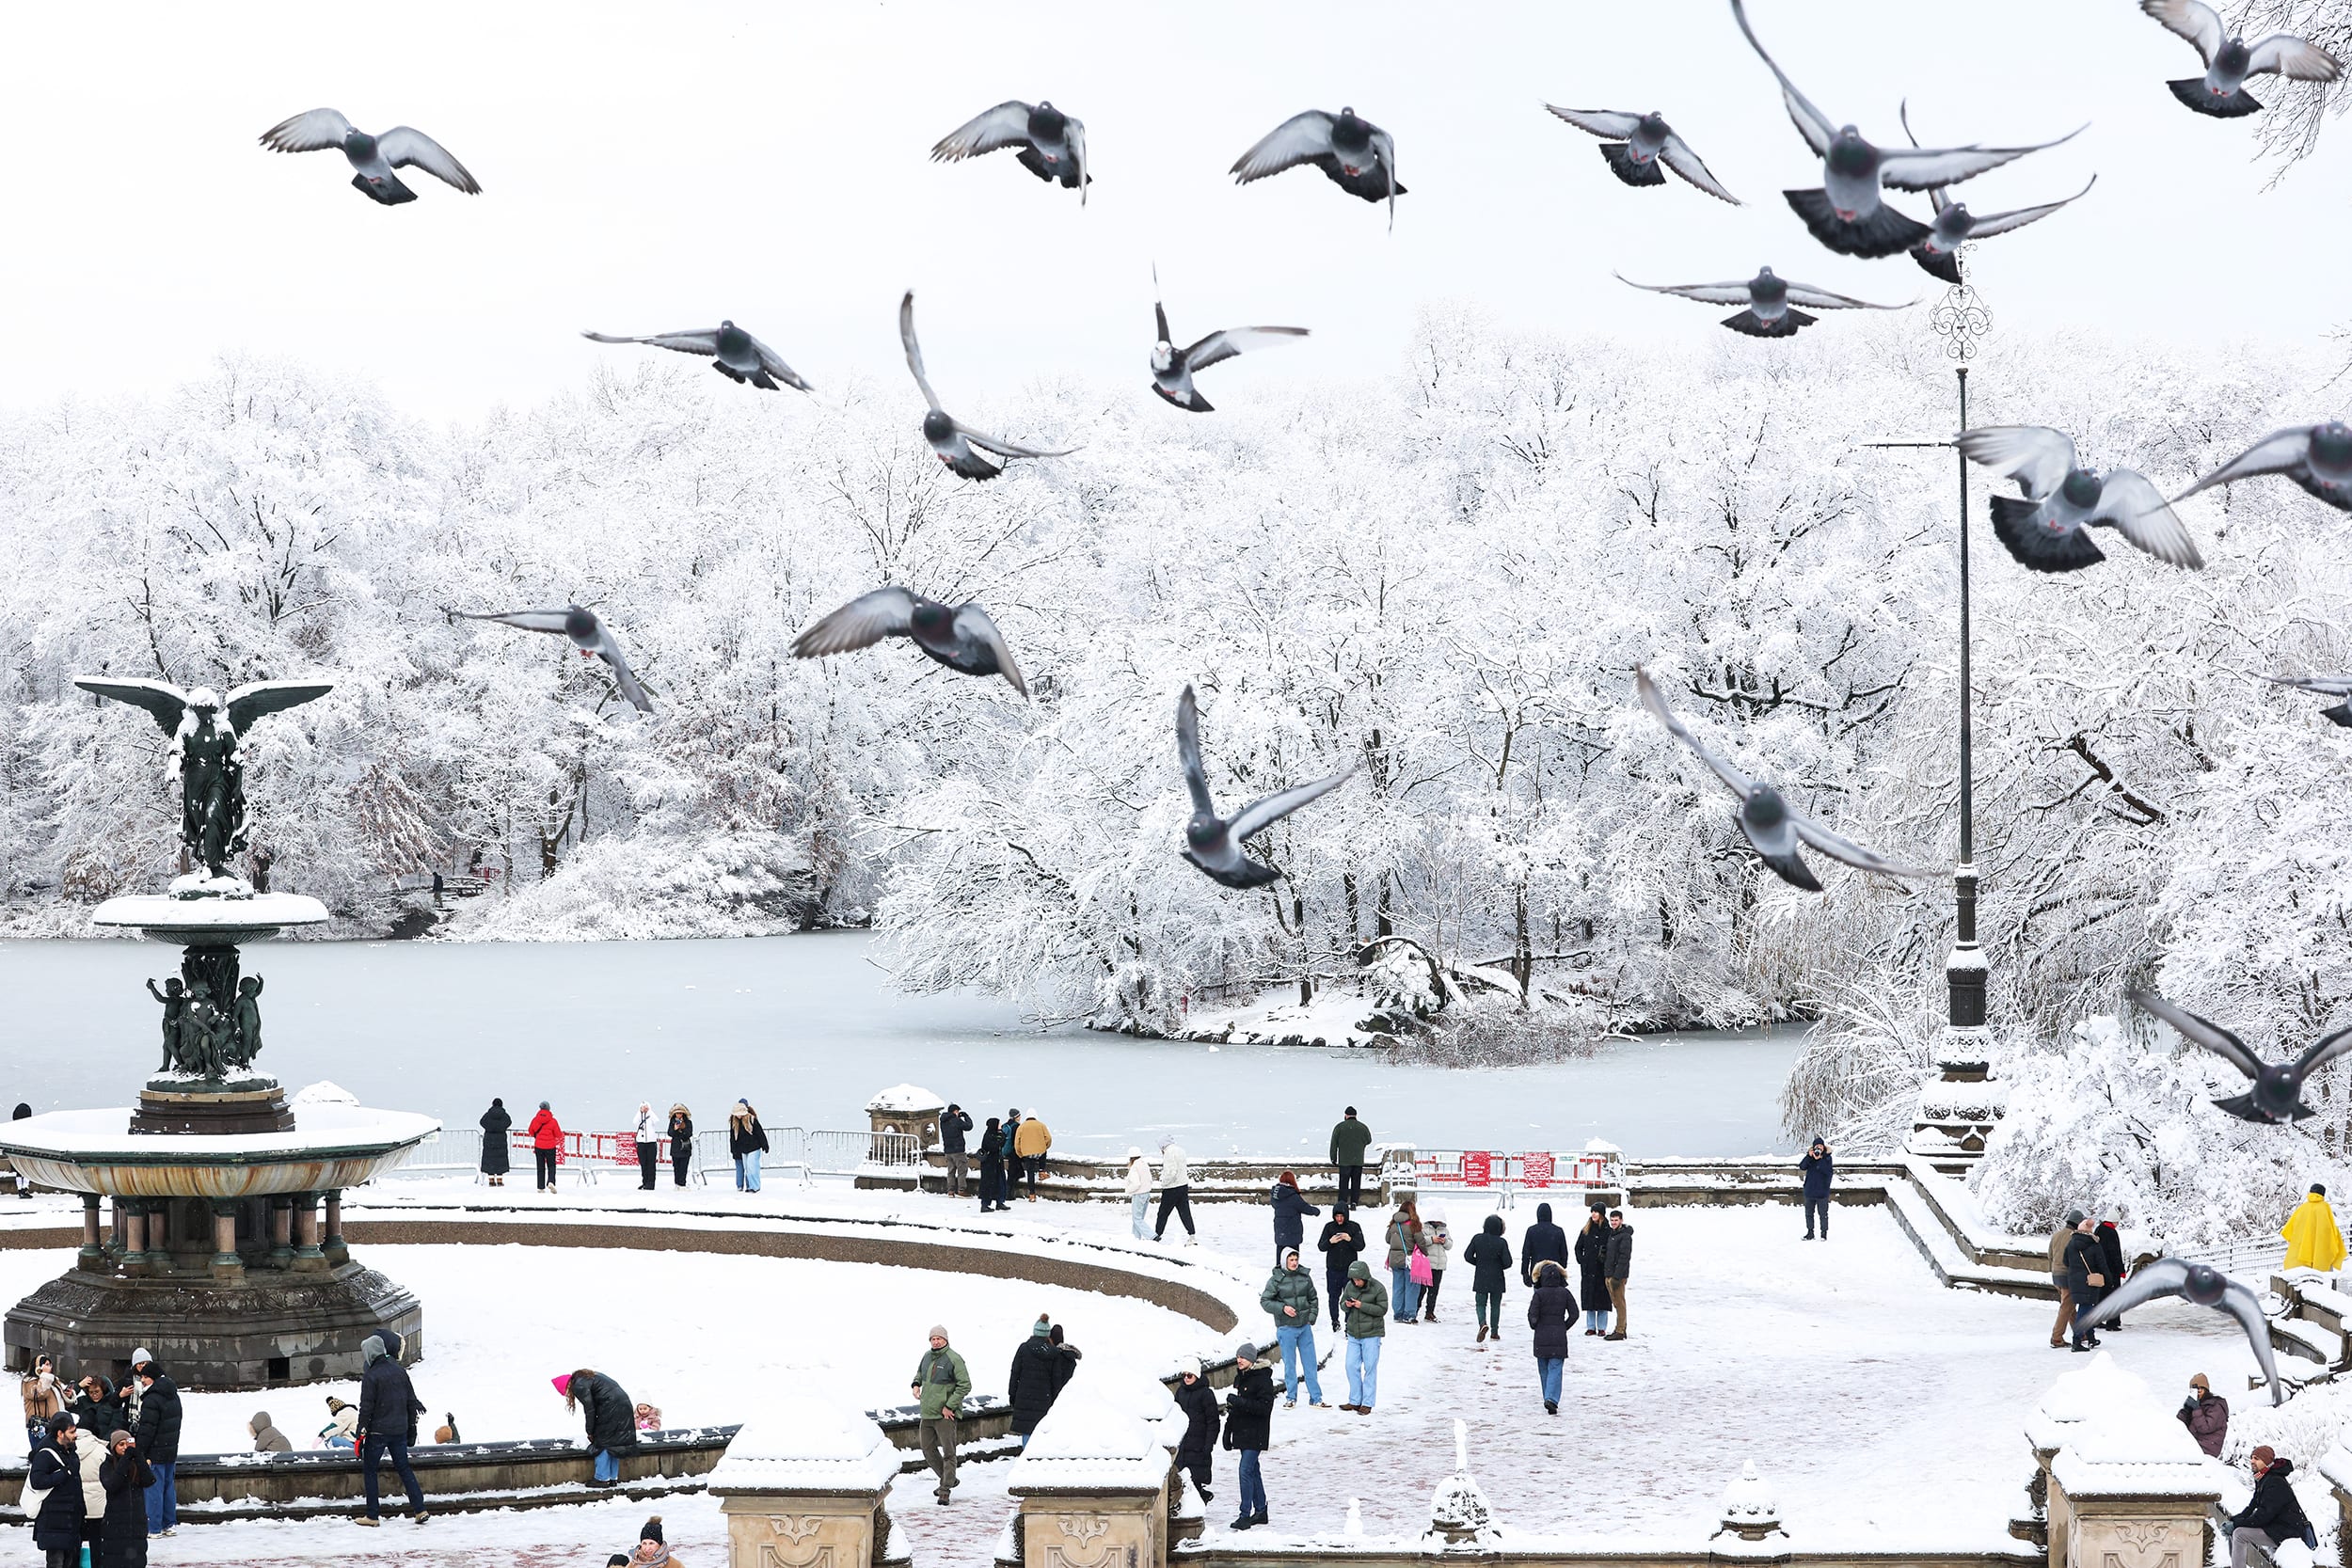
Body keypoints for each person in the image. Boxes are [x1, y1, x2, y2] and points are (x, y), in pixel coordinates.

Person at [356, 1334, 429, 1525]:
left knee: (370, 1469)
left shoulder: (371, 1376)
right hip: (399, 1430)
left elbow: (366, 1407)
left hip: (378, 1432)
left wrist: (360, 1430)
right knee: (404, 1468)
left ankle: (372, 1515)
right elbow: (411, 1400)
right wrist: (411, 1428)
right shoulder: (399, 1371)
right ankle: (420, 1509)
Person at [910, 1325, 971, 1505]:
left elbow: (965, 1385)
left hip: (945, 1414)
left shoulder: (954, 1359)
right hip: (927, 1412)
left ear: (946, 1340)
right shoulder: (927, 1356)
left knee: (949, 1452)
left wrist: (949, 1405)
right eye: (933, 1339)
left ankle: (945, 1490)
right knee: (927, 1449)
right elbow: (920, 1373)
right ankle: (948, 1478)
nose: (936, 1341)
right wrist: (915, 1384)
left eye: (939, 1338)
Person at [2225, 1446, 2312, 1568]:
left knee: (2239, 1534)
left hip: (2287, 1532)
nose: (2252, 1461)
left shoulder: (2275, 1482)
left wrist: (2237, 1525)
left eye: (2257, 1459)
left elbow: (2263, 1516)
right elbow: (2252, 1507)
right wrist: (2233, 1520)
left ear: (2266, 1462)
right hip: (2275, 1528)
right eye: (2251, 1458)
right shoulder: (2263, 1478)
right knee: (2235, 1530)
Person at [1261, 1247, 1327, 1408]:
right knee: (1290, 1364)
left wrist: (1311, 1317)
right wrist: (1282, 1308)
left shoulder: (1305, 1277)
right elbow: (1265, 1301)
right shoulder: (1275, 1280)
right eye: (1291, 1260)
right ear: (1284, 1261)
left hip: (1304, 1327)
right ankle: (1291, 1397)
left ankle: (1316, 1398)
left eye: (1296, 1259)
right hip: (1286, 1328)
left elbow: (1314, 1298)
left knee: (1310, 1364)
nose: (1294, 1262)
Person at [1221, 1342, 1276, 1531]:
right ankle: (1261, 1510)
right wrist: (1228, 1431)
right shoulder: (1242, 1378)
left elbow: (1264, 1408)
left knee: (1245, 1470)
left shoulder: (1262, 1380)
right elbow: (1236, 1408)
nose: (1239, 1360)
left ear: (1252, 1360)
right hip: (1243, 1432)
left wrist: (1240, 1402)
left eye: (1243, 1357)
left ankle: (1245, 1515)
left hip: (1256, 1434)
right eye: (1238, 1357)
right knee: (1253, 1471)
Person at [557, 1368, 639, 1488]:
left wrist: (590, 1431)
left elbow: (590, 1409)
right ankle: (612, 1478)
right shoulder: (587, 1377)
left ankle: (601, 1478)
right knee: (614, 1443)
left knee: (602, 1443)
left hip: (611, 1408)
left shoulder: (578, 1385)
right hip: (623, 1404)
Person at [132, 1362, 180, 1537]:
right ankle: (169, 1524)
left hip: (155, 1452)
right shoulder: (173, 1395)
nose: (142, 1380)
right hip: (170, 1449)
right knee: (168, 1488)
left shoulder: (152, 1399)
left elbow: (147, 1429)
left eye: (144, 1377)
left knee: (153, 1489)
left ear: (152, 1377)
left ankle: (154, 1527)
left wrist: (141, 1451)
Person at [29, 1412, 83, 1568]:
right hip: (54, 1519)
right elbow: (37, 1481)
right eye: (72, 1432)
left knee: (69, 1562)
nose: (76, 1435)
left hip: (70, 1517)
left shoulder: (70, 1451)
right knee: (56, 1562)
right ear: (60, 1433)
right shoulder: (45, 1454)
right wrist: (62, 1474)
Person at [1007, 1315, 1066, 1448]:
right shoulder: (1054, 1353)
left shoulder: (1024, 1349)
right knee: (1042, 1431)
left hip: (1024, 1397)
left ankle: (1025, 1459)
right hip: (1044, 1399)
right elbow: (1056, 1380)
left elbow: (1015, 1373)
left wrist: (1012, 1395)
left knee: (1027, 1431)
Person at [99, 1428, 154, 1568]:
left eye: (127, 1444)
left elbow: (149, 1480)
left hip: (136, 1523)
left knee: (137, 1561)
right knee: (115, 1562)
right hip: (115, 1524)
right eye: (121, 1444)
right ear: (114, 1447)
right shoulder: (107, 1465)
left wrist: (138, 1457)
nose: (125, 1448)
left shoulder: (136, 1464)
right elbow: (112, 1484)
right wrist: (125, 1460)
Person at [1338, 1260, 1388, 1414]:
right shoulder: (1349, 1286)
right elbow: (1342, 1304)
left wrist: (1362, 1306)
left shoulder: (1378, 1288)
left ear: (1365, 1277)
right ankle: (1354, 1400)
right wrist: (1347, 1305)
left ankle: (1367, 1402)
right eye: (1353, 1279)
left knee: (1370, 1368)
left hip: (1372, 1334)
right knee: (1351, 1366)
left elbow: (1382, 1309)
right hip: (1354, 1333)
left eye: (1358, 1279)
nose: (1355, 1282)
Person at [1528, 1259, 1576, 1415]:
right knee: (1555, 1368)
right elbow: (1574, 1314)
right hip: (1559, 1337)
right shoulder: (1565, 1293)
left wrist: (1535, 1325)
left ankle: (1547, 1397)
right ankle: (1552, 1398)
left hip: (1541, 1337)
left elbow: (1532, 1316)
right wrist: (1564, 1326)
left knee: (1544, 1369)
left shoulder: (1539, 1294)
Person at [1464, 1213, 1515, 1346]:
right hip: (1497, 1277)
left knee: (1480, 1304)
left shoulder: (1477, 1239)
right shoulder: (1501, 1242)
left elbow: (1467, 1256)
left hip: (1481, 1276)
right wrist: (1498, 1265)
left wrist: (1479, 1263)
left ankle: (1482, 1323)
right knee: (1495, 1305)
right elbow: (1508, 1262)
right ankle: (1494, 1332)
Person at [1172, 1356, 1216, 1506]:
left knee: (1195, 1480)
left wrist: (1208, 1444)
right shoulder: (1180, 1392)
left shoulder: (1206, 1394)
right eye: (1184, 1375)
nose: (1186, 1378)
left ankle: (1198, 1507)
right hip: (1183, 1445)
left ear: (1197, 1375)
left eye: (1189, 1375)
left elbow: (1213, 1421)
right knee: (1183, 1480)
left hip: (1198, 1446)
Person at [1318, 1207, 1367, 1334]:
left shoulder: (1354, 1227)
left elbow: (1361, 1246)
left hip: (1350, 1271)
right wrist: (1330, 1241)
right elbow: (1321, 1246)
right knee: (1333, 1296)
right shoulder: (1329, 1227)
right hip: (1333, 1269)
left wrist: (1349, 1239)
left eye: (1342, 1216)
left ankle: (1348, 1323)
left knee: (1350, 1297)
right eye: (1337, 1216)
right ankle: (1334, 1320)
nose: (1339, 1219)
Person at [2064, 1213, 2108, 1353]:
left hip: (2074, 1281)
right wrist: (2108, 1279)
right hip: (2090, 1281)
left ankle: (2091, 1337)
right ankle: (2077, 1341)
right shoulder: (2094, 1244)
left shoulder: (2071, 1243)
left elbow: (2066, 1262)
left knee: (2086, 1308)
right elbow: (2102, 1264)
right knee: (2085, 1309)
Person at [2283, 1183, 2345, 1273]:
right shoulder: (2324, 1208)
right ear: (2323, 1194)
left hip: (2300, 1258)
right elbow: (2330, 1231)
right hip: (2320, 1253)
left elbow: (2288, 1231)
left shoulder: (2302, 1208)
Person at [72, 1415, 106, 1565]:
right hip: (97, 1506)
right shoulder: (101, 1450)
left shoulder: (68, 1448)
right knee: (96, 1541)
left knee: (74, 1540)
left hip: (76, 1504)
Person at [2047, 1208, 2084, 1349]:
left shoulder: (2056, 1235)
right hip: (2068, 1275)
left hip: (2055, 1274)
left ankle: (2081, 1333)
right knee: (2066, 1307)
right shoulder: (2074, 1237)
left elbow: (2049, 1255)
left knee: (2069, 1306)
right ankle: (2057, 1338)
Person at [1270, 1170, 1321, 1270]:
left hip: (1280, 1231)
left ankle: (1278, 1277)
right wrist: (1316, 1211)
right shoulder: (1292, 1196)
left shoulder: (1275, 1196)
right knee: (1292, 1259)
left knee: (1281, 1258)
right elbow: (1305, 1208)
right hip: (1292, 1232)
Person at [1384, 1197, 1424, 1322]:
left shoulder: (1393, 1224)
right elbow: (1421, 1241)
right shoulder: (1413, 1225)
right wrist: (1425, 1253)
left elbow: (1387, 1239)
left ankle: (1398, 1314)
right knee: (1412, 1288)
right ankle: (1409, 1314)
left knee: (1398, 1288)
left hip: (1395, 1259)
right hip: (1410, 1259)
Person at [1573, 1207, 1611, 1335]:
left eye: (1596, 1212)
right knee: (1590, 1298)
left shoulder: (1608, 1231)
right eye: (1592, 1212)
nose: (1593, 1214)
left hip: (1602, 1269)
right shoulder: (1586, 1230)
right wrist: (1582, 1261)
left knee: (1602, 1298)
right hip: (1588, 1269)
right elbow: (1578, 1248)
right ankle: (1590, 1327)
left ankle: (1601, 1327)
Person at [1520, 1201, 1569, 1293]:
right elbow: (1564, 1253)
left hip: (1537, 1272)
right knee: (1555, 1300)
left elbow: (1526, 1253)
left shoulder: (1531, 1231)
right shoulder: (1558, 1231)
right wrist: (1562, 1268)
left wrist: (1525, 1272)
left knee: (1539, 1300)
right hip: (1555, 1271)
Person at [1329, 1106, 1373, 1211]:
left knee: (1343, 1183)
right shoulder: (1363, 1127)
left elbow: (1334, 1144)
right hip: (1358, 1161)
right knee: (1356, 1182)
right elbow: (1369, 1140)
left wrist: (1333, 1158)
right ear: (1355, 1115)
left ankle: (1343, 1202)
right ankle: (1354, 1202)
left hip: (1344, 1161)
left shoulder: (1339, 1127)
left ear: (1346, 1115)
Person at [1155, 1137, 1196, 1243]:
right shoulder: (1181, 1150)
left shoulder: (1169, 1153)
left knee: (1163, 1213)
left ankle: (1157, 1236)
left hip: (1171, 1188)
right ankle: (1192, 1235)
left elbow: (1171, 1172)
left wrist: (1164, 1183)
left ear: (1163, 1146)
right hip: (1183, 1186)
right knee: (1185, 1212)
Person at [1602, 1208, 1634, 1341]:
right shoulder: (1613, 1234)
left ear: (1621, 1220)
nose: (1614, 1223)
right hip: (1610, 1273)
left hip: (1617, 1275)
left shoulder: (1624, 1236)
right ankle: (1621, 1328)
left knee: (1619, 1302)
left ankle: (1620, 1330)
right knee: (1616, 1302)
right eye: (1612, 1220)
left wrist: (1617, 1276)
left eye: (1616, 1220)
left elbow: (1624, 1258)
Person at [2179, 1373, 2228, 1458]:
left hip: (2207, 1450)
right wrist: (2186, 1410)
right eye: (2194, 1391)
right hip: (2193, 1446)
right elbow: (2179, 1426)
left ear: (2206, 1390)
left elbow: (2206, 1428)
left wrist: (2196, 1409)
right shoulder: (2197, 1405)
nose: (2198, 1394)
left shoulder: (2216, 1406)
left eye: (2200, 1390)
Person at [23, 1351, 64, 1452]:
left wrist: (67, 1394)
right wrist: (45, 1375)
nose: (49, 1367)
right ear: (38, 1367)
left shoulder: (52, 1380)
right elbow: (40, 1393)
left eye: (50, 1364)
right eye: (46, 1364)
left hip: (54, 1425)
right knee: (41, 1454)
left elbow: (62, 1402)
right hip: (39, 1425)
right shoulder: (29, 1382)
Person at [2094, 1211, 2128, 1329]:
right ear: (2113, 1222)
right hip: (2112, 1271)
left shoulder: (2098, 1230)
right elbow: (2115, 1253)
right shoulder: (2112, 1233)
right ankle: (2112, 1323)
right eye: (2117, 1222)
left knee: (2101, 1295)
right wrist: (2121, 1269)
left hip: (2100, 1269)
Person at [729, 1101, 769, 1194]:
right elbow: (733, 1137)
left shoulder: (751, 1119)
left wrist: (765, 1145)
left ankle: (755, 1186)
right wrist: (734, 1149)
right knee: (747, 1168)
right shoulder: (734, 1122)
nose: (738, 1116)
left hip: (754, 1147)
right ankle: (750, 1186)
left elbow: (759, 1133)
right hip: (743, 1149)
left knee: (752, 1167)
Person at [1013, 1109, 1053, 1200]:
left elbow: (1017, 1143)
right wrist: (1045, 1146)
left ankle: (1032, 1195)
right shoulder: (1041, 1125)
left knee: (1030, 1174)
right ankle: (1042, 1171)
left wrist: (1020, 1153)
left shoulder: (1021, 1127)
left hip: (1027, 1154)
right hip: (1039, 1152)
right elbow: (1049, 1138)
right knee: (1043, 1153)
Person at [1799, 1137, 1833, 1240]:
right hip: (1810, 1191)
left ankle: (1823, 1233)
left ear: (1824, 1147)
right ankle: (1810, 1232)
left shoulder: (1827, 1158)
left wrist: (1820, 1160)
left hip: (1822, 1192)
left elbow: (1828, 1172)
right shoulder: (1810, 1158)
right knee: (1809, 1213)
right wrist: (1808, 1157)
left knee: (1823, 1214)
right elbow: (1802, 1166)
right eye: (1817, 1147)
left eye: (1821, 1146)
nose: (1819, 1148)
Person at [71, 1376, 121, 1445]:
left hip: (105, 1442)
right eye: (91, 1392)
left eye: (97, 1392)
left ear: (103, 1390)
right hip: (84, 1442)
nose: (94, 1395)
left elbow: (115, 1426)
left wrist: (104, 1442)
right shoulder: (83, 1401)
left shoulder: (112, 1403)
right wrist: (78, 1386)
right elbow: (67, 1402)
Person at [1421, 1214, 1453, 1323]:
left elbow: (1450, 1245)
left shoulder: (1445, 1230)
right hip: (1426, 1264)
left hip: (1439, 1265)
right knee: (1422, 1290)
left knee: (1434, 1291)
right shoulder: (1424, 1228)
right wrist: (1432, 1239)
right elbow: (1420, 1242)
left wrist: (1445, 1241)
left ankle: (1430, 1312)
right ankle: (1414, 1310)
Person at [939, 1103, 974, 1198]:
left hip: (948, 1150)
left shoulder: (943, 1121)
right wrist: (966, 1116)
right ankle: (961, 1190)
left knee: (951, 1171)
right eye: (958, 1111)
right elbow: (969, 1126)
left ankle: (951, 1191)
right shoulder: (956, 1120)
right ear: (955, 1111)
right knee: (962, 1170)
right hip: (958, 1150)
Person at [529, 1101, 563, 1191]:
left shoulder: (535, 1120)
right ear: (549, 1108)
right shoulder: (553, 1121)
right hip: (550, 1147)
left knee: (540, 1167)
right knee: (551, 1165)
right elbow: (558, 1134)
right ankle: (551, 1181)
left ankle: (540, 1187)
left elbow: (531, 1131)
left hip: (539, 1146)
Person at [977, 1117, 1008, 1212]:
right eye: (998, 1124)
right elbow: (994, 1147)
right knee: (988, 1184)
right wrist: (1001, 1140)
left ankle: (1000, 1202)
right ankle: (985, 1204)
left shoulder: (995, 1134)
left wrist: (1001, 1137)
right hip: (989, 1165)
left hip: (997, 1163)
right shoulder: (988, 1135)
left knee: (1000, 1183)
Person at [479, 1098, 512, 1187]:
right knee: (500, 1159)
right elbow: (509, 1122)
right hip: (501, 1140)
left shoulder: (488, 1114)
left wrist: (490, 1128)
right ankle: (500, 1181)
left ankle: (491, 1181)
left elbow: (482, 1122)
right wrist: (501, 1128)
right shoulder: (504, 1115)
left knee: (490, 1159)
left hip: (489, 1140)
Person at [1123, 1148, 1153, 1239]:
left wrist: (1127, 1190)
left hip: (1139, 1195)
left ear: (1131, 1158)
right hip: (1147, 1194)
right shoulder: (1145, 1165)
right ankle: (1135, 1238)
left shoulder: (1134, 1167)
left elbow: (1136, 1184)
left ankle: (1152, 1236)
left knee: (1136, 1219)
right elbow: (1150, 1180)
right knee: (1139, 1219)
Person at [633, 1101, 660, 1191]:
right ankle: (645, 1182)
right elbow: (635, 1122)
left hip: (651, 1142)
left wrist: (649, 1111)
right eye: (642, 1107)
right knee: (643, 1164)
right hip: (641, 1142)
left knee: (651, 1164)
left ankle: (651, 1183)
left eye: (645, 1107)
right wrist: (640, 1112)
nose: (644, 1109)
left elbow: (656, 1121)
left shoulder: (651, 1116)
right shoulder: (639, 1116)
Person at [666, 1103, 694, 1188]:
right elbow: (670, 1133)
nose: (679, 1115)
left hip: (685, 1148)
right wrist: (675, 1129)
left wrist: (683, 1128)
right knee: (676, 1167)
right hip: (675, 1148)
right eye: (677, 1113)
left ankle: (682, 1183)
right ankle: (677, 1183)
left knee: (683, 1167)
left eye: (680, 1113)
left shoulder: (688, 1122)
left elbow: (689, 1134)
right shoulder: (672, 1122)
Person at [1002, 1110, 1025, 1195]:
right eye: (1019, 1115)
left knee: (1014, 1172)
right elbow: (1017, 1140)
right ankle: (1008, 1194)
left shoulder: (1006, 1125)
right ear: (1016, 1117)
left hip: (1007, 1151)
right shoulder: (1016, 1126)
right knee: (1012, 1173)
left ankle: (1008, 1192)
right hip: (1014, 1151)